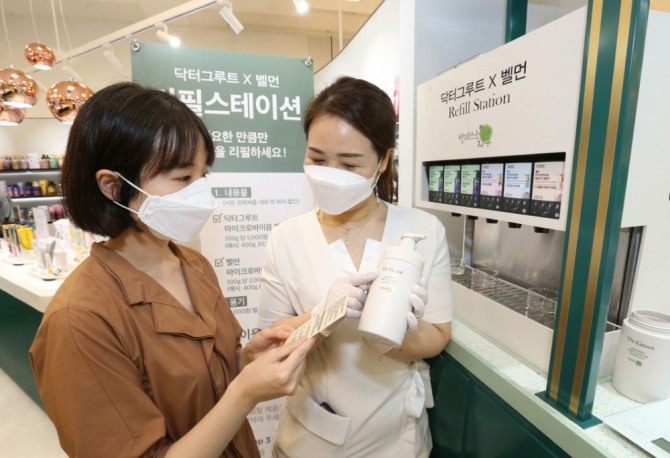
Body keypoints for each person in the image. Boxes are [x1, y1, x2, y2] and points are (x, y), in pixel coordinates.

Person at [29, 82, 315, 458]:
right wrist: (246, 393)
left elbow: (203, 382)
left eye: (203, 176)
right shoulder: (79, 321)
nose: (200, 194)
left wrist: (246, 360)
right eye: (182, 178)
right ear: (113, 186)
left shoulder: (193, 265)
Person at [258, 76, 453, 457]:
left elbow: (438, 333)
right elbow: (270, 344)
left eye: (349, 164)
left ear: (383, 160)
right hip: (310, 437)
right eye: (317, 159)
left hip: (398, 438)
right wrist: (322, 316)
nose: (331, 173)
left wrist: (389, 333)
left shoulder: (423, 230)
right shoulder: (286, 238)